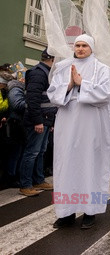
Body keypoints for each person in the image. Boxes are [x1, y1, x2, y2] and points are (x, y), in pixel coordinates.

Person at [47, 35, 110, 229]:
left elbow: (105, 94)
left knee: (89, 163)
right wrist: (69, 85)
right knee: (65, 164)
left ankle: (89, 211)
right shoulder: (63, 67)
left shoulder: (102, 69)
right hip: (67, 122)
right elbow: (52, 93)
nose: (81, 48)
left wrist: (82, 83)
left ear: (91, 48)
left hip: (90, 123)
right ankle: (66, 212)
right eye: (77, 45)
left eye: (84, 45)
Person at [19, 49, 57, 197]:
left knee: (40, 152)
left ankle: (38, 180)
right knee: (32, 152)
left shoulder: (46, 72)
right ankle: (25, 184)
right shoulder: (38, 73)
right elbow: (32, 100)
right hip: (38, 120)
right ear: (52, 59)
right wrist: (38, 121)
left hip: (45, 119)